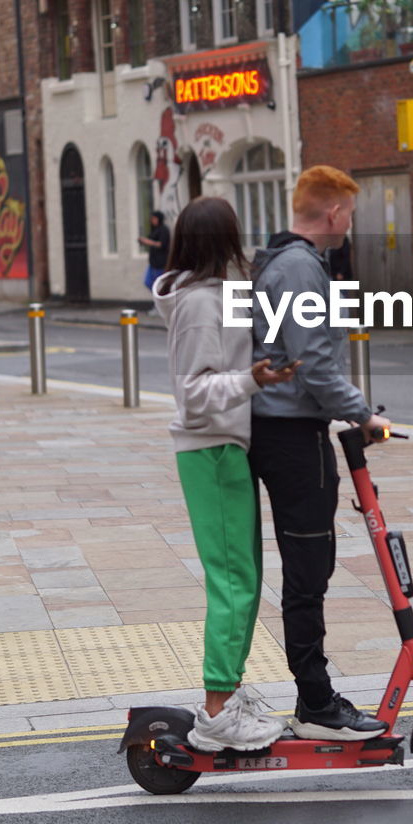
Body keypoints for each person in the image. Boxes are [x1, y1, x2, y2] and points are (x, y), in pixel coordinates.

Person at [249, 165, 391, 741]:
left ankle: (315, 694)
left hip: (278, 432)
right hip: (293, 437)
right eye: (350, 214)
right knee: (309, 570)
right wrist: (363, 413)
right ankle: (316, 703)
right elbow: (314, 364)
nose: (350, 224)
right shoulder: (301, 271)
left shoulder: (278, 262)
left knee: (306, 567)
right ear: (333, 214)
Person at [153, 197, 297, 753]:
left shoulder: (220, 294)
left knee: (246, 578)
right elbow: (193, 395)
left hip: (224, 450)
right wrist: (252, 381)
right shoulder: (196, 305)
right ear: (223, 241)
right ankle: (217, 713)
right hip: (209, 449)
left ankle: (229, 694)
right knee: (234, 583)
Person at [139, 211, 170, 299]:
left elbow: (161, 244)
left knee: (159, 285)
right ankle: (157, 301)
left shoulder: (164, 230)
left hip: (160, 263)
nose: (152, 221)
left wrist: (148, 242)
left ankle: (159, 303)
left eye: (154, 218)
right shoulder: (154, 230)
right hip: (153, 263)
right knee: (148, 282)